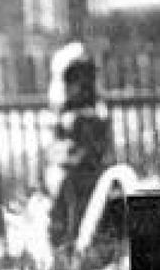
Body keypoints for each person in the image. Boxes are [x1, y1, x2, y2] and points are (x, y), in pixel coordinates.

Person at [45, 42, 114, 251]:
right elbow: (57, 150)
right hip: (71, 173)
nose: (75, 87)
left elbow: (96, 148)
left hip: (89, 172)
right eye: (72, 82)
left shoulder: (91, 117)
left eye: (80, 82)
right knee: (66, 200)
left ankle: (76, 242)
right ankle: (66, 240)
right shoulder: (68, 116)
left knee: (84, 204)